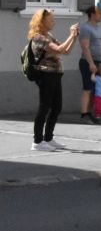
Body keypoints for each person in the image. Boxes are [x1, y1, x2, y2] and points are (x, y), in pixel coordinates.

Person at [28, 9, 79, 151]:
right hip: (45, 75)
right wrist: (70, 35)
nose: (54, 22)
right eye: (51, 20)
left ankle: (48, 138)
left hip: (56, 74)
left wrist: (74, 37)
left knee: (56, 107)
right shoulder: (38, 37)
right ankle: (37, 142)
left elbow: (66, 51)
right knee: (44, 107)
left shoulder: (48, 35)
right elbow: (59, 50)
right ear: (42, 21)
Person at [78, 6, 101, 125]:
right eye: (99, 13)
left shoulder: (100, 28)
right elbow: (85, 47)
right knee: (88, 88)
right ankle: (84, 114)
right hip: (88, 62)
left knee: (97, 89)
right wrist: (90, 63)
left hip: (99, 62)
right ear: (92, 14)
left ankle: (92, 113)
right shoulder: (85, 28)